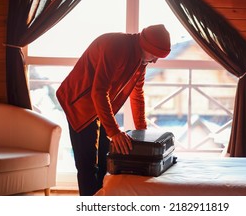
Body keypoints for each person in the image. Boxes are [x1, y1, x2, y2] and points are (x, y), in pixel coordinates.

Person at [56, 24, 171, 195]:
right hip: (79, 103)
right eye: (154, 55)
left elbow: (137, 93)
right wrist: (115, 131)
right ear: (146, 46)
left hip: (100, 104)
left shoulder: (141, 59)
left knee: (106, 159)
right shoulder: (116, 47)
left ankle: (103, 202)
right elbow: (99, 91)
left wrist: (142, 130)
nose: (154, 61)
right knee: (87, 164)